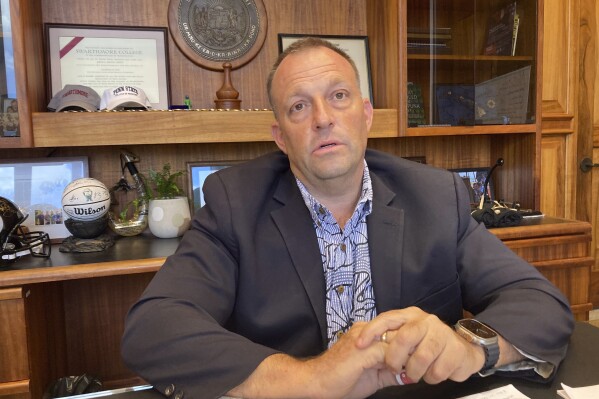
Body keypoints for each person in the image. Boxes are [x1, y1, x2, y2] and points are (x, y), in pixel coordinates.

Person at [121, 37, 574, 399]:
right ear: (280, 136)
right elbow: (155, 326)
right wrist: (311, 380)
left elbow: (538, 300)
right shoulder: (234, 202)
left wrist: (471, 345)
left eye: (338, 96)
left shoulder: (436, 196)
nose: (322, 119)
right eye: (299, 106)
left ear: (366, 113)